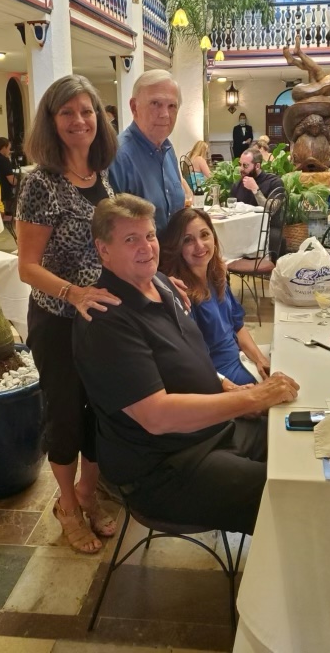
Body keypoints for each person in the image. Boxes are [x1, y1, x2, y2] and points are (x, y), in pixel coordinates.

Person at [72, 194, 299, 535]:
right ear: (103, 250)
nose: (146, 248)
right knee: (286, 493)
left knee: (298, 446)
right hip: (167, 467)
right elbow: (157, 415)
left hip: (214, 431)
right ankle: (283, 582)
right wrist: (253, 399)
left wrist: (230, 390)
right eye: (130, 239)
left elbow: (190, 360)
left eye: (149, 236)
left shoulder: (163, 284)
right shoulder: (107, 320)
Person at [16, 74, 121, 554]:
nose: (80, 121)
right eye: (67, 113)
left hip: (100, 320)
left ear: (99, 117)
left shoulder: (102, 174)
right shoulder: (40, 182)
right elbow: (26, 267)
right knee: (65, 417)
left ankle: (87, 492)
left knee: (101, 410)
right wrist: (74, 293)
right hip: (57, 322)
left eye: (87, 111)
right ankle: (65, 504)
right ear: (52, 122)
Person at [159, 208, 271, 385]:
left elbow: (238, 325)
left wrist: (259, 359)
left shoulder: (216, 276)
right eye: (188, 240)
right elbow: (194, 362)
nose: (200, 246)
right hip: (218, 377)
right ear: (177, 247)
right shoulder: (182, 294)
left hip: (241, 359)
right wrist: (233, 391)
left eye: (204, 235)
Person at [109, 70, 190, 233]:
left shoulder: (168, 150)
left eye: (172, 106)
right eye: (155, 104)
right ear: (134, 107)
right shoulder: (117, 156)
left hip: (172, 256)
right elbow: (111, 228)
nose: (165, 114)